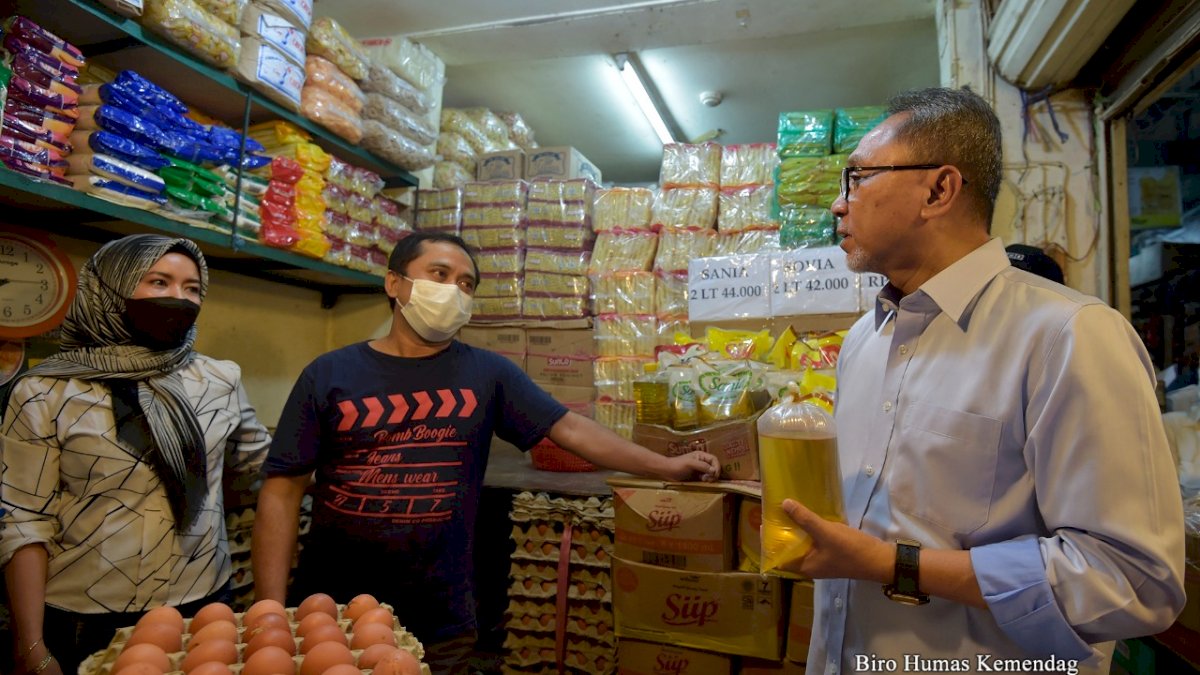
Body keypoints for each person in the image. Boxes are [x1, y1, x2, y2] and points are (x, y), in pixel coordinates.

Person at [779, 87, 1184, 674]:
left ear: (939, 189)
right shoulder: (864, 342)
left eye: (857, 179)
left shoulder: (1067, 336)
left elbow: (1131, 581)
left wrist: (893, 564)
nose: (838, 206)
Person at [252, 231, 719, 674]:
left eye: (466, 283)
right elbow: (282, 491)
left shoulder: (488, 374)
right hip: (329, 607)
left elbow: (571, 429)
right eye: (439, 274)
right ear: (395, 283)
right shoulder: (329, 373)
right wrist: (270, 611)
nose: (454, 290)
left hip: (438, 609)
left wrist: (666, 465)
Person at [0, 235, 271, 673]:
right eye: (159, 282)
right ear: (110, 288)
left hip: (201, 608)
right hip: (82, 617)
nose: (177, 299)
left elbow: (261, 469)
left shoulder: (218, 380)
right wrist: (30, 644)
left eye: (191, 289)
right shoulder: (45, 391)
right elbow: (23, 520)